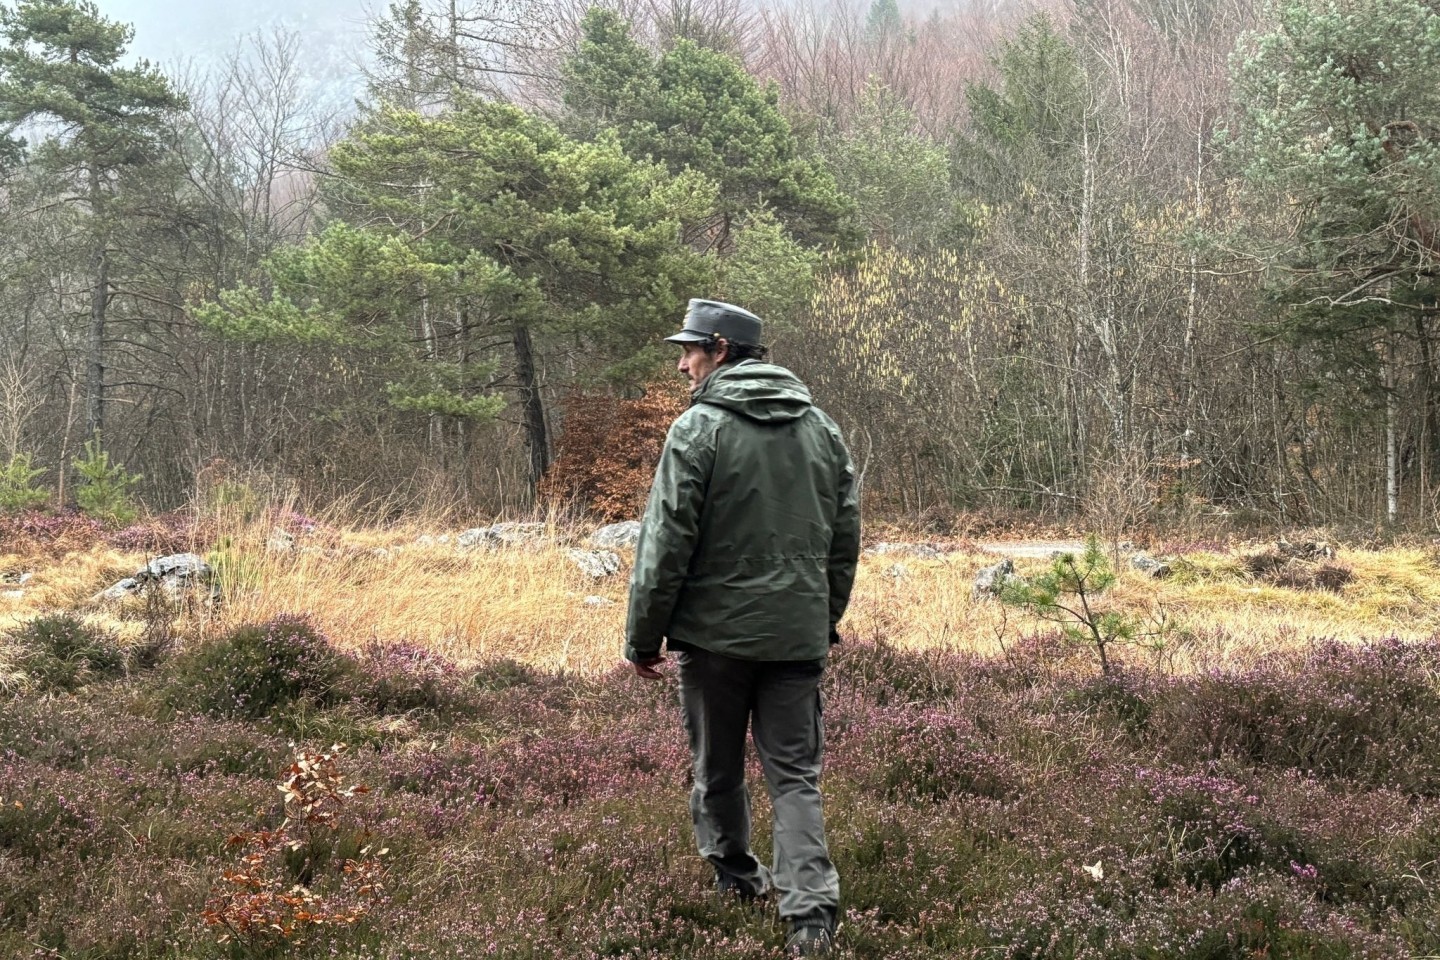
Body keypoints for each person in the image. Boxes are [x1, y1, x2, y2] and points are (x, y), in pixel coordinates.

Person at [624, 299, 861, 957]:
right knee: (794, 777)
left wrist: (644, 638)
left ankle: (735, 877)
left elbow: (664, 544)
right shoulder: (823, 429)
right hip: (795, 639)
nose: (682, 363)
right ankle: (810, 918)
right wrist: (821, 618)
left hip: (713, 641)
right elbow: (845, 543)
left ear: (721, 350)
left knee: (718, 767)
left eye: (690, 351)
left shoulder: (697, 430)